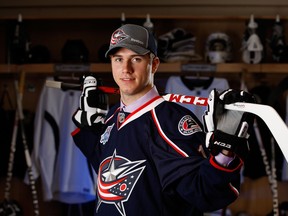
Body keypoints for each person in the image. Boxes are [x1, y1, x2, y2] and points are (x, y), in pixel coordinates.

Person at [71, 24, 256, 216]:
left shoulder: (171, 122)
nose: (125, 69)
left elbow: (203, 192)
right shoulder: (111, 116)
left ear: (154, 64)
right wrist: (88, 130)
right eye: (118, 59)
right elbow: (108, 170)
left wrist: (225, 153)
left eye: (136, 59)